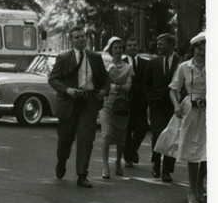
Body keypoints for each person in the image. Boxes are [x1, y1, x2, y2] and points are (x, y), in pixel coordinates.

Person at [47, 25, 110, 188]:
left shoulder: (95, 57)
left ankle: (82, 174)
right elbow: (53, 79)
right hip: (69, 102)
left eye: (83, 36)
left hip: (89, 101)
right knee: (65, 139)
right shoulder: (63, 57)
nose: (81, 39)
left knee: (85, 138)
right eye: (77, 37)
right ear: (71, 40)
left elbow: (105, 78)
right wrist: (67, 89)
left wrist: (104, 91)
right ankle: (61, 161)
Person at [169, 32, 206, 203]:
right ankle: (192, 190)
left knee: (208, 151)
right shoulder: (185, 67)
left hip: (209, 110)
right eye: (199, 48)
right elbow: (173, 89)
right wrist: (176, 106)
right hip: (191, 109)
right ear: (194, 49)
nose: (203, 52)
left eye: (206, 48)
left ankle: (200, 186)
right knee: (193, 150)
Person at [145, 32, 181, 183]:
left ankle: (167, 170)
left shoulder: (181, 62)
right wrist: (150, 98)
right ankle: (156, 164)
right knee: (158, 133)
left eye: (161, 44)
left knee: (172, 136)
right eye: (157, 44)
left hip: (174, 105)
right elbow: (146, 83)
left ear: (171, 45)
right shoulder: (153, 63)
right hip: (157, 104)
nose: (158, 46)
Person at [98, 36, 133, 180]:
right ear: (111, 50)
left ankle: (118, 161)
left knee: (120, 136)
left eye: (120, 48)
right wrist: (116, 85)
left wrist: (112, 86)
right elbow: (101, 83)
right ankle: (105, 165)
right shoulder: (105, 66)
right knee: (106, 134)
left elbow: (128, 87)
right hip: (106, 105)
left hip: (121, 105)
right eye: (115, 48)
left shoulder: (128, 67)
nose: (118, 50)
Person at [122, 36, 150, 167]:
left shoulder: (146, 63)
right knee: (126, 130)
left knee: (142, 128)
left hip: (140, 102)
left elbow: (148, 82)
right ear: (126, 48)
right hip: (124, 102)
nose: (132, 47)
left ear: (137, 47)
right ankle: (129, 157)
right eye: (130, 45)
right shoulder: (120, 63)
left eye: (134, 45)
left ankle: (132, 151)